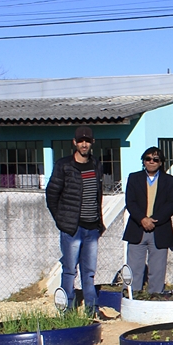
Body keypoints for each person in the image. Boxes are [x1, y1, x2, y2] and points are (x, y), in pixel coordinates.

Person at [45, 125, 105, 312]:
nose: (84, 144)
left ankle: (91, 309)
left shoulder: (96, 165)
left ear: (92, 142)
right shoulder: (64, 166)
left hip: (92, 227)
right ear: (74, 143)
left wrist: (99, 222)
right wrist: (62, 221)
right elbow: (52, 195)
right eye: (80, 141)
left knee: (89, 273)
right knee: (70, 270)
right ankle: (67, 310)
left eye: (87, 141)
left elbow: (98, 194)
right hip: (72, 228)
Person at [122, 146, 173, 294]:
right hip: (137, 229)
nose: (151, 162)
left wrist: (154, 220)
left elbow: (172, 203)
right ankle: (132, 297)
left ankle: (155, 298)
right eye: (148, 159)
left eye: (155, 159)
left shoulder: (170, 181)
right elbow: (130, 202)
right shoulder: (134, 178)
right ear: (143, 161)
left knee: (157, 269)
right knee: (134, 268)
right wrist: (142, 219)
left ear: (161, 162)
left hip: (160, 230)